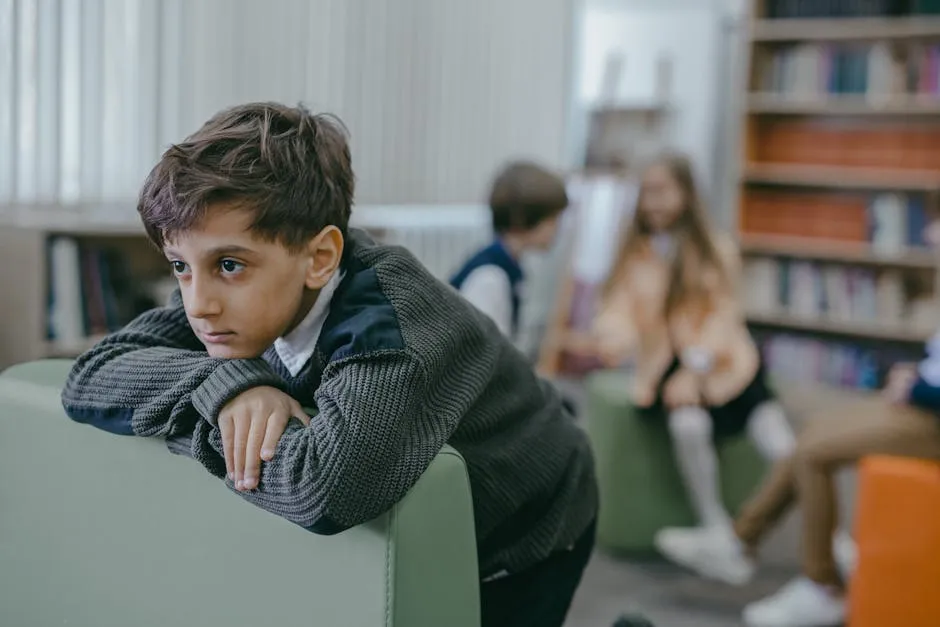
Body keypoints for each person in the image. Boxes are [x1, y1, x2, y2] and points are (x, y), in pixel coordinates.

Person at [59, 102, 598, 627]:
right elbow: (89, 375)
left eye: (228, 264)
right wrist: (227, 385)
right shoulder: (232, 303)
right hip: (428, 521)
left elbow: (323, 488)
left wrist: (192, 410)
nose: (198, 302)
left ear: (319, 258)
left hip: (529, 522)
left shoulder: (392, 323)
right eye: (180, 266)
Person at [655, 218, 940, 627]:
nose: (929, 234)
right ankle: (740, 543)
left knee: (813, 453)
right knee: (811, 432)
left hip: (931, 418)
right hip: (922, 400)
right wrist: (915, 378)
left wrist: (917, 391)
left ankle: (821, 584)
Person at [590, 154, 796, 580]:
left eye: (664, 190)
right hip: (665, 371)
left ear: (686, 192)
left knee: (784, 448)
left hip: (725, 367)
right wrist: (613, 337)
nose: (654, 202)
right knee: (688, 427)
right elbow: (617, 310)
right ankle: (715, 526)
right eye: (646, 192)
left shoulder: (714, 250)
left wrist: (697, 367)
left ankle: (836, 545)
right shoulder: (633, 255)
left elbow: (725, 314)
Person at [449, 160, 567, 342]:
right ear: (524, 217)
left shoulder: (508, 265)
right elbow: (487, 359)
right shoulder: (490, 277)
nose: (557, 229)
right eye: (552, 220)